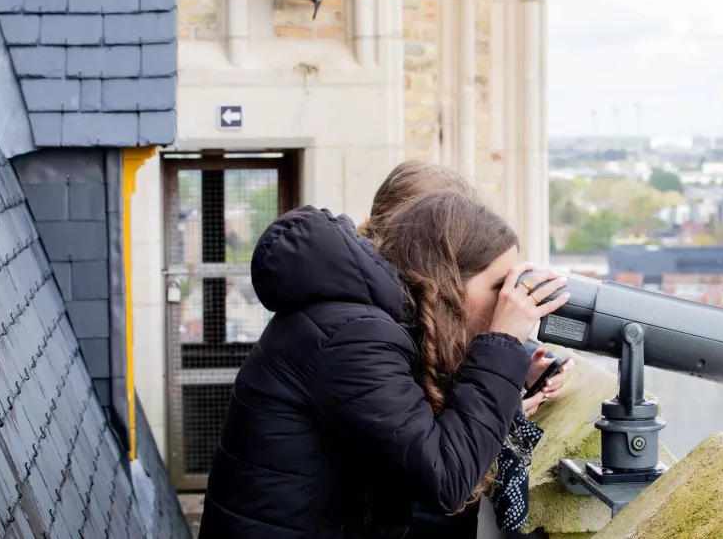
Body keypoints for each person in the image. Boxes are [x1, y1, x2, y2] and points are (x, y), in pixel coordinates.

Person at [198, 190, 570, 538]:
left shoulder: (363, 320)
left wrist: (513, 366)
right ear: (449, 280)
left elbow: (417, 428)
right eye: (499, 286)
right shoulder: (354, 335)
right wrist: (502, 344)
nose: (507, 299)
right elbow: (446, 480)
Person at [359, 160, 572, 537]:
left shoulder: (385, 310)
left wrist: (516, 368)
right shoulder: (367, 332)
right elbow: (443, 477)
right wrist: (503, 383)